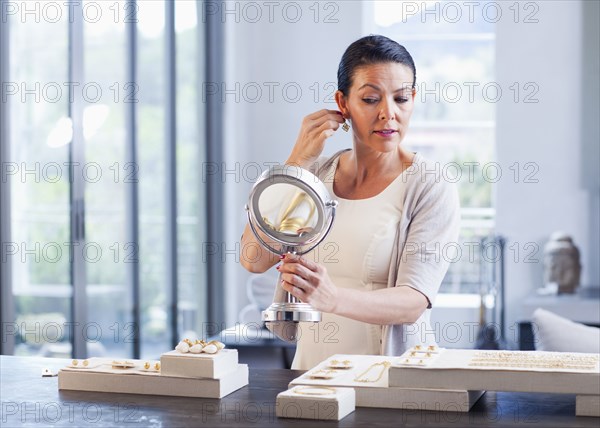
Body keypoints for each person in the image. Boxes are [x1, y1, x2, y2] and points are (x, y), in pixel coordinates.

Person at [240, 35, 461, 370]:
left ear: (413, 98)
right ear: (342, 103)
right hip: (311, 373)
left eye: (401, 98)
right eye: (371, 99)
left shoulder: (429, 184)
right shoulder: (315, 176)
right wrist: (297, 162)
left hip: (389, 382)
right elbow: (253, 258)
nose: (389, 114)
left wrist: (332, 298)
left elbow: (413, 301)